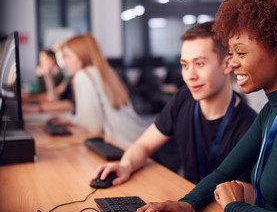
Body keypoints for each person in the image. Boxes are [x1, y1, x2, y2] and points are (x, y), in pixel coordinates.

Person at [138, 0, 277, 212]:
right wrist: (186, 204)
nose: (232, 63)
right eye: (231, 52)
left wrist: (234, 206)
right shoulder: (271, 110)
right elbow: (224, 171)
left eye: (241, 52)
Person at [90, 21, 257, 193]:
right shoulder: (183, 99)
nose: (189, 75)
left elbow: (246, 196)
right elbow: (144, 146)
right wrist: (125, 166)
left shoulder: (250, 126)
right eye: (185, 65)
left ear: (227, 64)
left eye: (199, 64)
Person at [51, 34, 147, 146]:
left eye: (68, 56)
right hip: (140, 138)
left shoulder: (83, 75)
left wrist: (72, 121)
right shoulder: (105, 72)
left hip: (123, 144)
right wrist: (71, 120)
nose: (64, 62)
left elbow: (93, 127)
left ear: (83, 56)